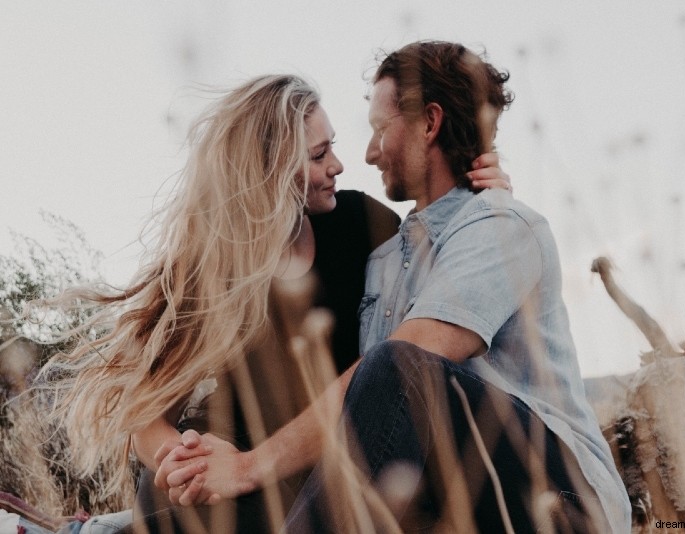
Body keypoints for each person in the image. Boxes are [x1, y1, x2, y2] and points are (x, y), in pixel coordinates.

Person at [158, 42, 631, 533]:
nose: (365, 154)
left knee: (396, 364)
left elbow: (411, 363)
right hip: (442, 495)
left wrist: (249, 465)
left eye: (379, 130)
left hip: (562, 498)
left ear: (429, 123)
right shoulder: (384, 255)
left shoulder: (503, 225)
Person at [33, 74, 507, 533]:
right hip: (228, 474)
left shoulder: (364, 223)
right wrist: (184, 461)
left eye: (333, 147)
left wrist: (486, 203)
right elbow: (149, 416)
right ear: (272, 171)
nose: (338, 165)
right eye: (319, 154)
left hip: (321, 463)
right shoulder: (211, 265)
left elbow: (448, 285)